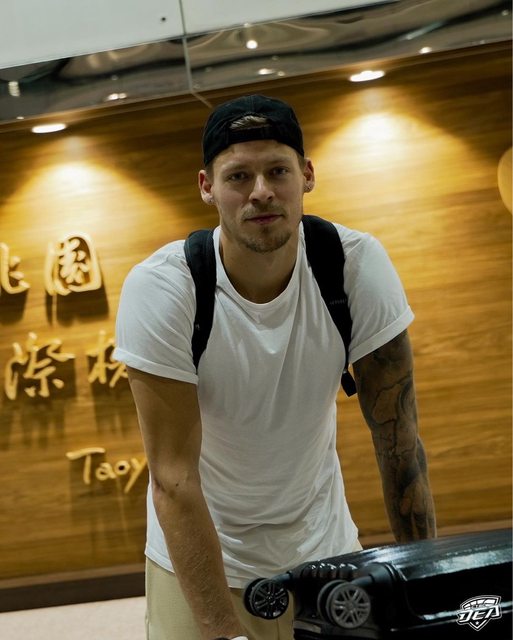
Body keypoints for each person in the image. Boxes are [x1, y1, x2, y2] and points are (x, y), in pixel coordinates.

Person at [114, 94, 436, 640]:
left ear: (306, 175)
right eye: (238, 176)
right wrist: (223, 630)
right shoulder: (165, 289)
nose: (260, 191)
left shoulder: (354, 267)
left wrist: (423, 590)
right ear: (207, 187)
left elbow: (399, 442)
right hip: (197, 554)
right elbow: (173, 479)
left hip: (324, 546)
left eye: (277, 171)